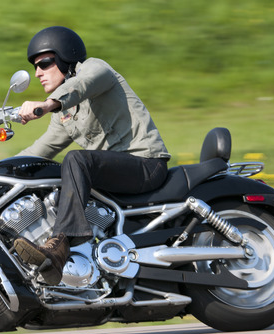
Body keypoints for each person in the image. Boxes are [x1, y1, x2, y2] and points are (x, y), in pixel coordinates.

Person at [13, 26, 170, 285]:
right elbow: (39, 151)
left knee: (76, 159)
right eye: (35, 67)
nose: (38, 73)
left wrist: (46, 104)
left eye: (45, 63)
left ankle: (59, 247)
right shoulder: (66, 114)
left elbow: (83, 84)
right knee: (47, 174)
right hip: (112, 174)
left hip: (145, 163)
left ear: (65, 58)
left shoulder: (96, 70)